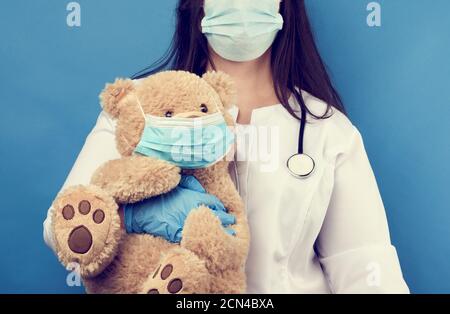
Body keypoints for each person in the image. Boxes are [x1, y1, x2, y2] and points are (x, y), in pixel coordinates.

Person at [44, 0, 409, 293]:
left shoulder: (327, 129)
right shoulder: (139, 109)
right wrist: (134, 215)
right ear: (196, 5)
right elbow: (61, 224)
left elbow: (365, 267)